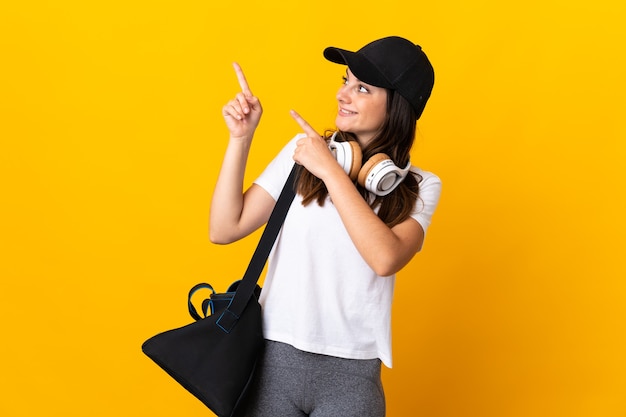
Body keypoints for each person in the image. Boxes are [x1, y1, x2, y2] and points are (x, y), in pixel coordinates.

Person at [210, 36, 442, 417]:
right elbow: (223, 228)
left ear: (398, 106)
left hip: (351, 375)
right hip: (272, 360)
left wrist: (331, 171)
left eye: (362, 88)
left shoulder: (421, 185)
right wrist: (241, 138)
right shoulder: (303, 154)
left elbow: (386, 258)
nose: (343, 95)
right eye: (345, 81)